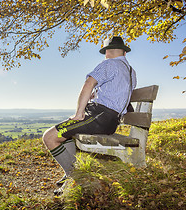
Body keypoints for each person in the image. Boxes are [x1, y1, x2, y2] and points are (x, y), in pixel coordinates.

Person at [42, 36, 137, 195]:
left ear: (107, 51)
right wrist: (97, 96)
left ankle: (76, 178)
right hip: (109, 120)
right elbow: (120, 94)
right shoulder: (130, 71)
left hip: (99, 117)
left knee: (49, 137)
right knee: (68, 134)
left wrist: (79, 113)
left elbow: (88, 84)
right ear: (124, 52)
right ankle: (70, 172)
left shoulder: (108, 64)